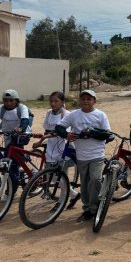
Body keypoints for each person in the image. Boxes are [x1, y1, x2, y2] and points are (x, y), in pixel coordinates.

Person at [55, 90, 112, 222]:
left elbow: (107, 134)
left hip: (97, 154)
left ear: (94, 101)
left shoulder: (100, 115)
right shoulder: (74, 115)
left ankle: (94, 207)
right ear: (79, 101)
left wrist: (92, 133)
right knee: (85, 183)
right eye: (83, 99)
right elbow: (59, 127)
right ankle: (87, 208)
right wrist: (66, 135)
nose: (86, 101)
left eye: (89, 99)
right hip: (81, 156)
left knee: (95, 179)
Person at [32, 91, 79, 208]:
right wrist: (43, 136)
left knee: (61, 176)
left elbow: (63, 133)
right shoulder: (49, 113)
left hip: (63, 147)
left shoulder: (67, 114)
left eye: (56, 101)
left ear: (62, 102)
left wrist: (42, 139)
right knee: (51, 176)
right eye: (51, 101)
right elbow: (47, 129)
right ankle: (73, 194)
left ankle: (61, 202)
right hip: (51, 147)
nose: (53, 104)